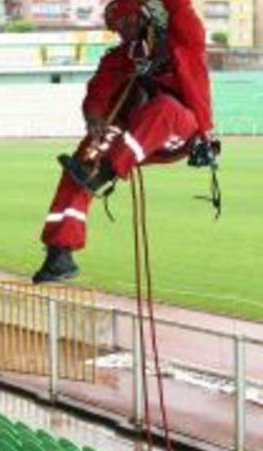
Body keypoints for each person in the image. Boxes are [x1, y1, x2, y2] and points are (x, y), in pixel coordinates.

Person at [32, 0, 218, 283]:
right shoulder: (120, 58)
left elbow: (180, 8)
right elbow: (99, 89)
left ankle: (104, 174)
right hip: (133, 135)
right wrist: (94, 116)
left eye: (126, 23)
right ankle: (59, 252)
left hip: (179, 132)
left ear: (144, 16)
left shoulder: (183, 40)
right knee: (79, 165)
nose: (122, 32)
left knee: (165, 108)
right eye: (117, 28)